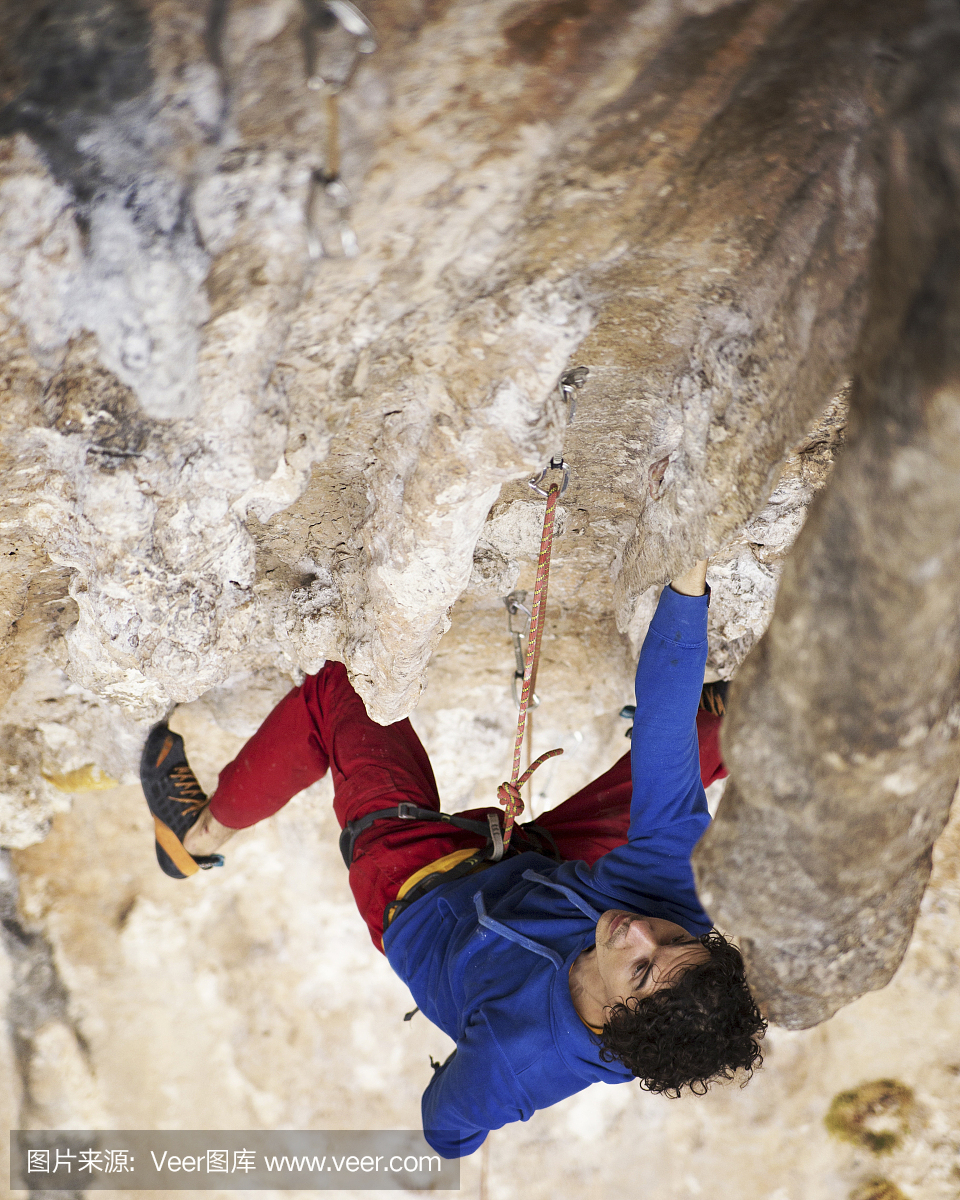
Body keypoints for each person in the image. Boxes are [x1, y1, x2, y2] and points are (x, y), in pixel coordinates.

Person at [140, 559, 765, 1159]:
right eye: (672, 939)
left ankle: (194, 837)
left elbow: (445, 1131)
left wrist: (472, 1075)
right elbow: (660, 727)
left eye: (638, 971)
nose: (639, 931)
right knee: (695, 736)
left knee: (343, 689)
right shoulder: (665, 905)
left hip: (417, 893)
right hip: (535, 869)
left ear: (611, 1018)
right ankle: (725, 726)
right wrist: (689, 574)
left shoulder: (515, 1061)